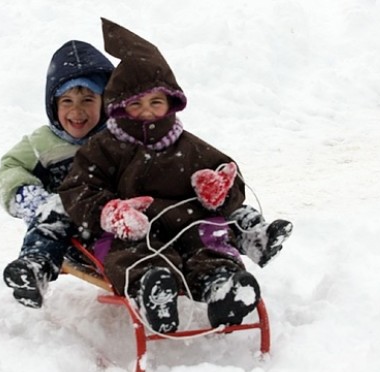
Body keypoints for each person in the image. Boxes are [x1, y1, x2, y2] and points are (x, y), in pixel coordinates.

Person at [59, 18, 292, 333]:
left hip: (187, 223)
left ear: (171, 103)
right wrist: (108, 211)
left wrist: (220, 188)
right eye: (136, 104)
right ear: (118, 108)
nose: (147, 111)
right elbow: (77, 188)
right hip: (132, 228)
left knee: (210, 241)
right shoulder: (103, 148)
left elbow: (231, 178)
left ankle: (222, 288)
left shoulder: (188, 146)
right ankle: (155, 293)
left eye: (156, 102)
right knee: (131, 253)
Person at [0, 40, 115, 308]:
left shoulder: (117, 138)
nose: (77, 110)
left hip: (110, 228)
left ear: (105, 101)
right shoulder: (43, 142)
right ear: (53, 105)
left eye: (88, 99)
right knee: (54, 212)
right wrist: (27, 197)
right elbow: (8, 168)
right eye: (67, 100)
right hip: (68, 237)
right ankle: (35, 268)